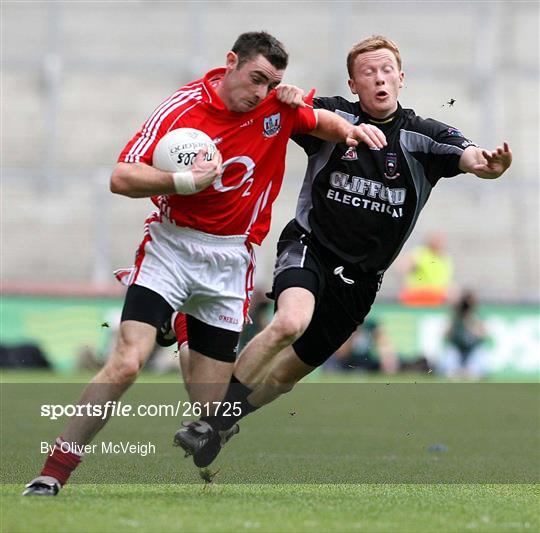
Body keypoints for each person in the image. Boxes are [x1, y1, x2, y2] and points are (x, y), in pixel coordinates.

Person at [22, 31, 387, 496]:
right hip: (171, 248)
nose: (259, 92)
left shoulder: (276, 106)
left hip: (231, 261)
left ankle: (184, 324)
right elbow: (121, 176)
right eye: (255, 78)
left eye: (271, 83)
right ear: (231, 62)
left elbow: (320, 122)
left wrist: (351, 131)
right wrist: (180, 180)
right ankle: (52, 474)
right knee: (127, 363)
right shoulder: (182, 109)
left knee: (212, 413)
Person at [175, 34, 513, 467]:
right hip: (309, 246)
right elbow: (285, 110)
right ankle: (210, 421)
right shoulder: (334, 117)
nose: (379, 79)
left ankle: (221, 422)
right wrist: (287, 96)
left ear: (401, 79)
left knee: (283, 378)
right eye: (368, 72)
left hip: (361, 281)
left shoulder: (423, 137)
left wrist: (491, 166)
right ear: (353, 84)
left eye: (386, 70)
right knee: (289, 323)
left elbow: (473, 158)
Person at [437, 290, 488, 378]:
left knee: (480, 353)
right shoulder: (455, 318)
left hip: (472, 351)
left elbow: (483, 335)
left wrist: (470, 322)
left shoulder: (476, 318)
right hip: (457, 350)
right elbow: (444, 335)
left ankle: (470, 372)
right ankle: (457, 371)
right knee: (450, 352)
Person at [398, 232, 454, 306]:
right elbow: (404, 266)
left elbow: (446, 280)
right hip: (419, 292)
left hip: (437, 294)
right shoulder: (421, 253)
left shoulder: (444, 258)